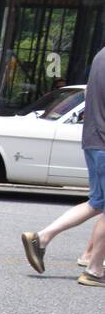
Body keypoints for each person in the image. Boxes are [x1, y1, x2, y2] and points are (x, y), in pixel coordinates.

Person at [22, 44, 105, 287]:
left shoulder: (100, 54)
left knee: (97, 202)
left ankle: (45, 238)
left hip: (93, 139)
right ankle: (94, 269)